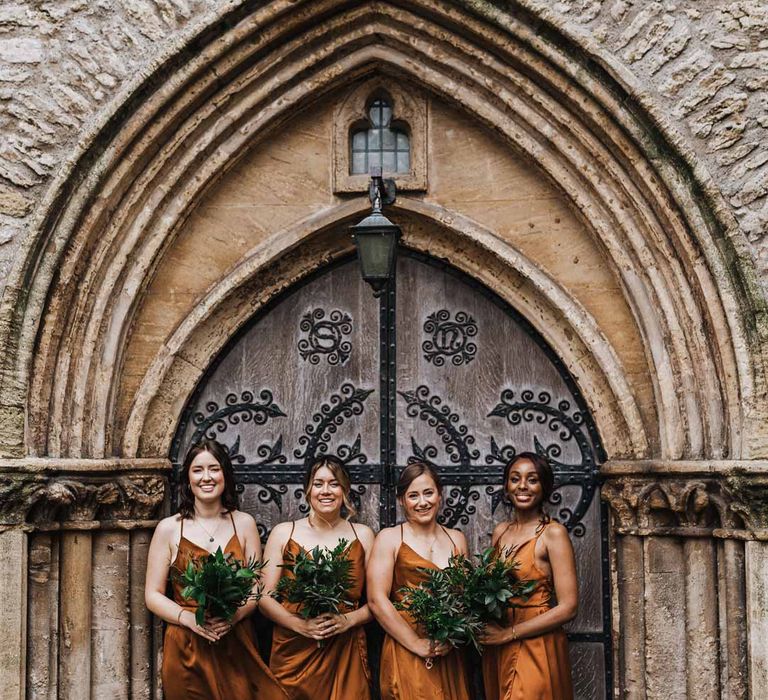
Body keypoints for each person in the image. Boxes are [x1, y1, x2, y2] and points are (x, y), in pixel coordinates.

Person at [144, 438, 287, 700]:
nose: (206, 477)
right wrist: (187, 618)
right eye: (198, 470)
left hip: (235, 640)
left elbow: (256, 586)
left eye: (214, 469)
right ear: (187, 478)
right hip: (186, 646)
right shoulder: (169, 528)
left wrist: (235, 616)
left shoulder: (243, 524)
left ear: (225, 476)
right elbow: (152, 594)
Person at [260, 455, 375, 700]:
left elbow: (378, 602)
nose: (326, 491)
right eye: (318, 483)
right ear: (307, 490)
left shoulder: (363, 535)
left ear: (345, 490)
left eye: (334, 484)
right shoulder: (284, 532)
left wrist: (348, 620)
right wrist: (300, 625)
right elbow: (264, 598)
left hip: (345, 649)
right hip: (293, 649)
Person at [367, 461, 472, 700]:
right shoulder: (389, 538)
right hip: (405, 644)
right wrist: (416, 643)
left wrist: (449, 635)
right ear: (402, 500)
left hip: (446, 647)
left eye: (428, 493)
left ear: (439, 495)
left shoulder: (457, 539)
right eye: (413, 495)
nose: (422, 502)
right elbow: (376, 600)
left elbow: (463, 597)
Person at [481, 452, 577, 699]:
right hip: (498, 644)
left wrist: (510, 634)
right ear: (507, 486)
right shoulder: (501, 532)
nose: (522, 486)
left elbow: (568, 607)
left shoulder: (553, 534)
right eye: (515, 479)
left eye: (532, 479)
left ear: (544, 486)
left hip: (537, 643)